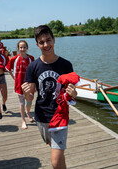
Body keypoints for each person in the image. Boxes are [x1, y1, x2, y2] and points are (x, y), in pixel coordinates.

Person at [22, 25, 77, 169]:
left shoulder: (66, 65)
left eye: (48, 40)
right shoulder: (33, 67)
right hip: (41, 117)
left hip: (60, 117)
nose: (46, 45)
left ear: (54, 39)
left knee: (55, 161)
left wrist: (73, 93)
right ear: (37, 44)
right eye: (41, 42)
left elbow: (72, 95)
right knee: (56, 154)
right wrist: (25, 91)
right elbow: (30, 96)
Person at [6, 40, 34, 129]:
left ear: (27, 48)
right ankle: (23, 120)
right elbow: (8, 69)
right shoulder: (14, 59)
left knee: (29, 101)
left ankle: (28, 113)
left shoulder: (31, 58)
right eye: (21, 47)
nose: (22, 49)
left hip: (29, 84)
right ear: (18, 49)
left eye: (24, 47)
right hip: (19, 84)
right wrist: (14, 78)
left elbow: (34, 71)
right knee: (22, 102)